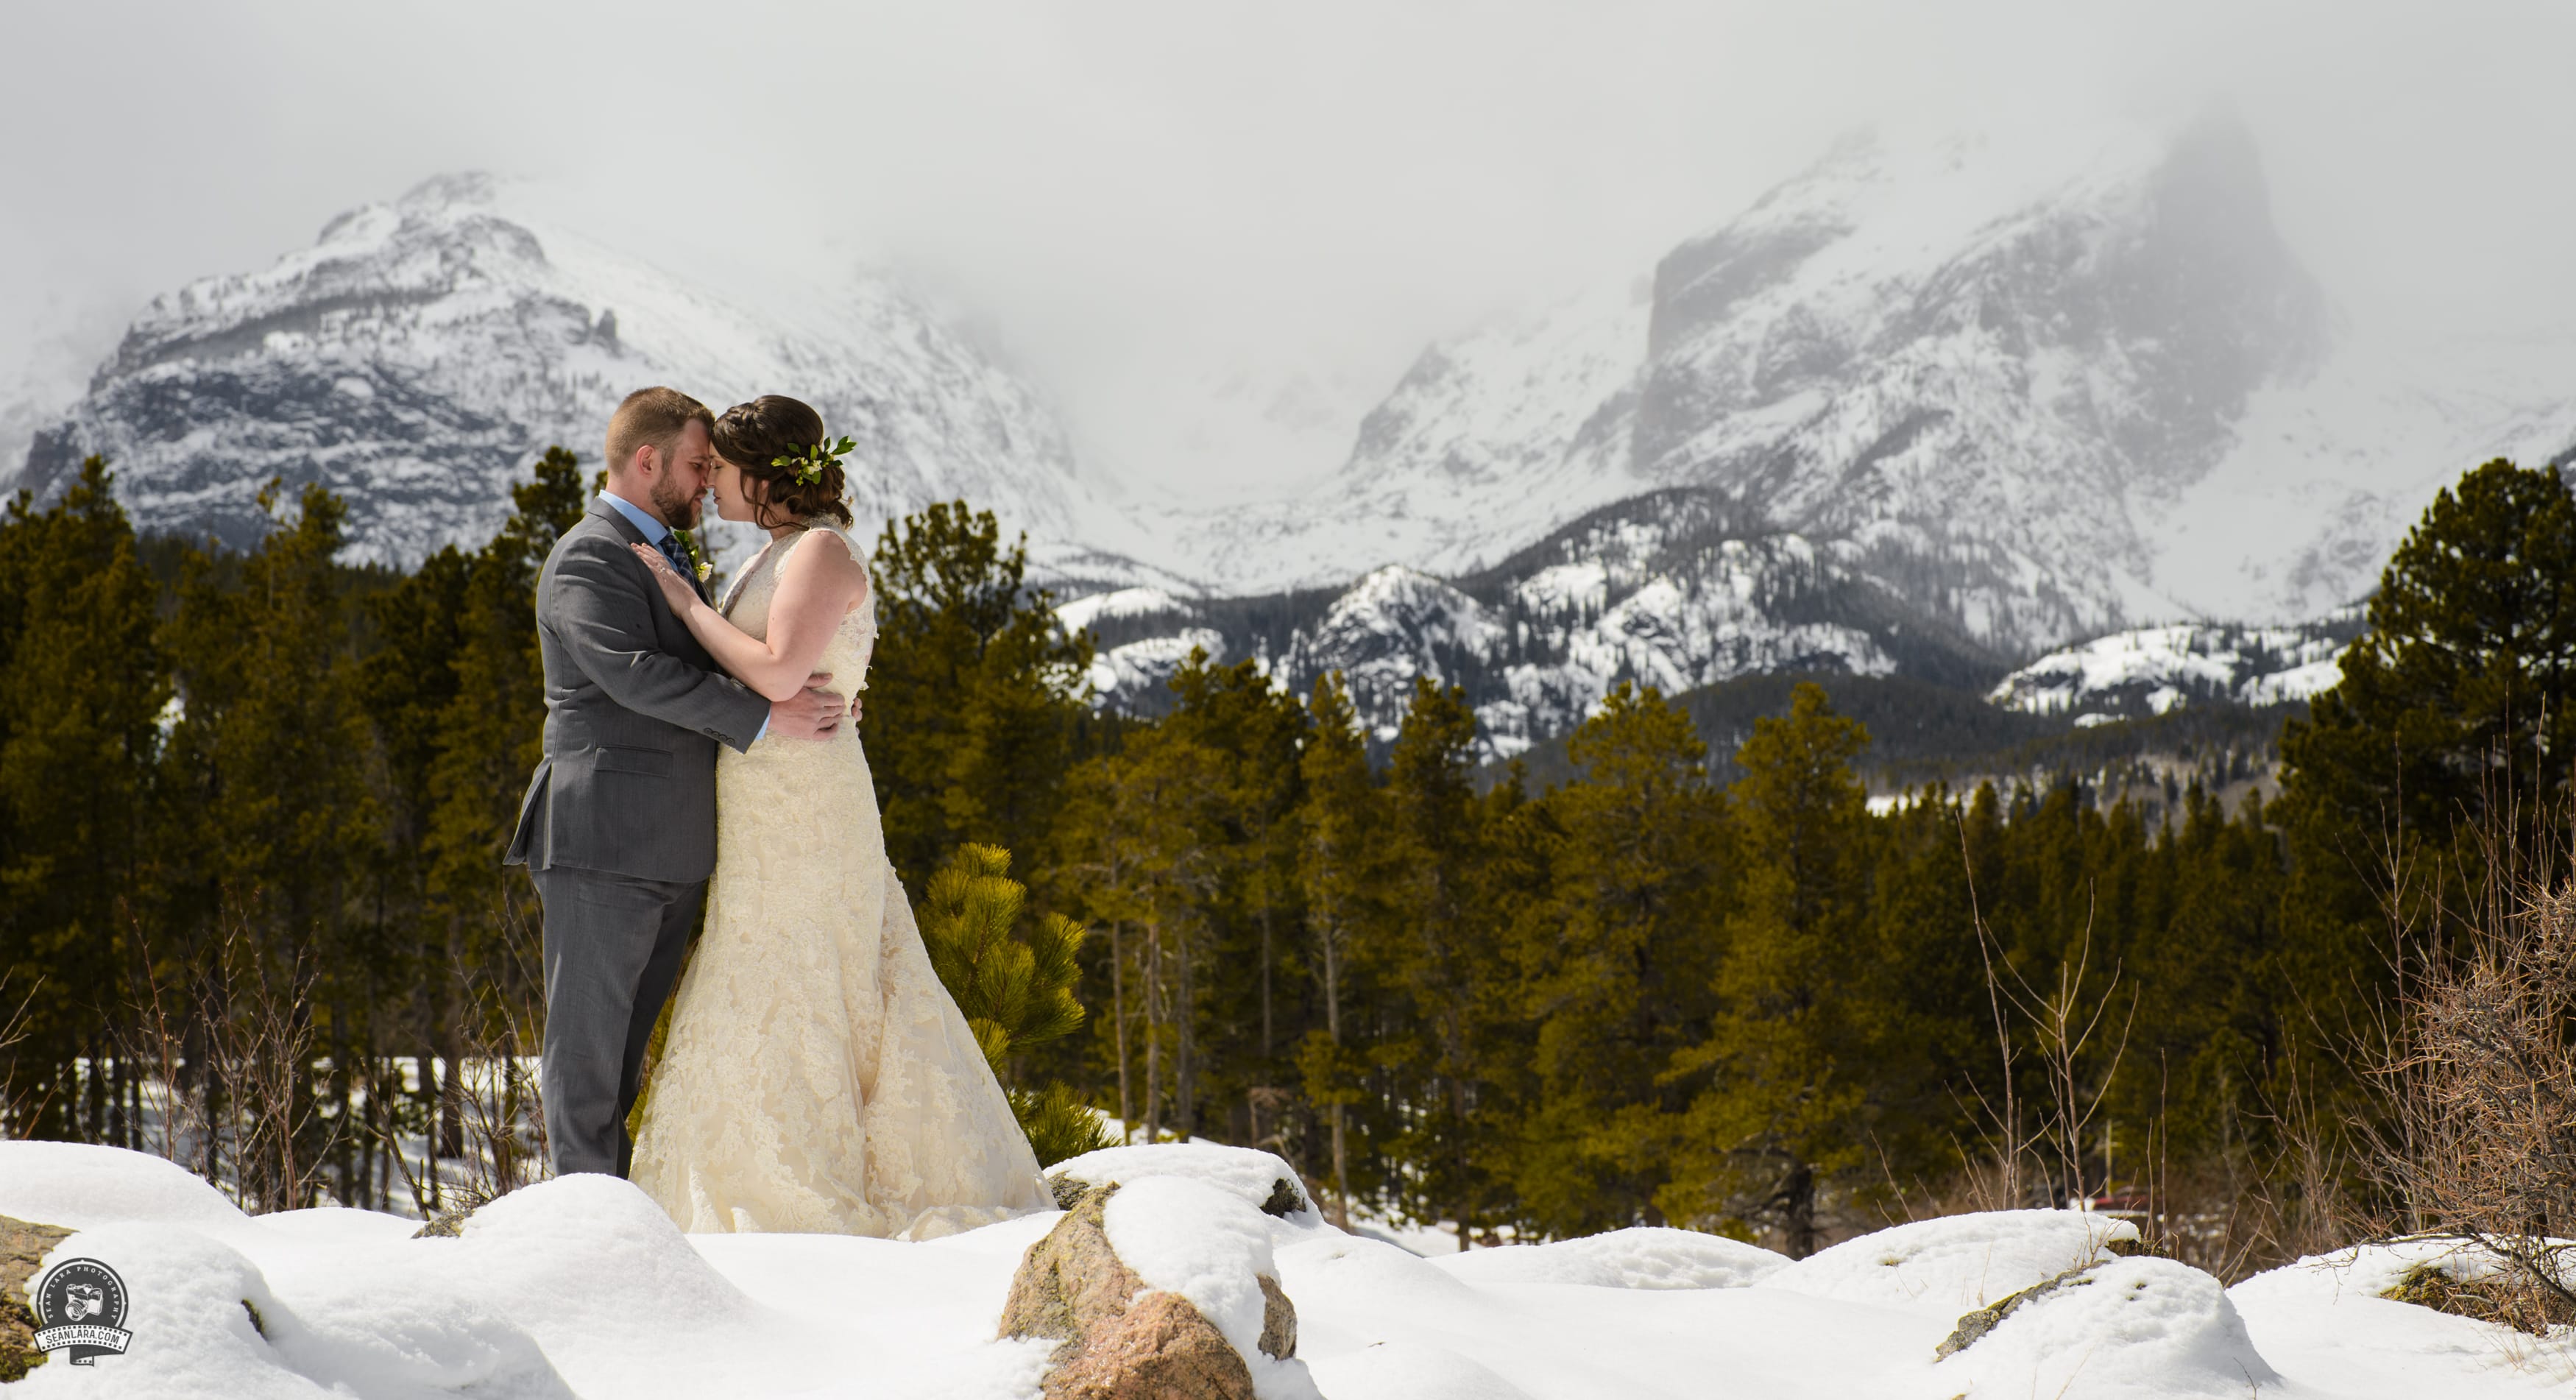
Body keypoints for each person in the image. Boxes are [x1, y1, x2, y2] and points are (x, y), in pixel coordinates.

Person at [621, 393, 1052, 1237]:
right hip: (765, 799)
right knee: (763, 962)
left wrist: (685, 605)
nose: (710, 486)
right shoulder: (779, 551)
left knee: (812, 964)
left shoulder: (816, 550)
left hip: (807, 810)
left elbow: (781, 675)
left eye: (723, 470)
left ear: (764, 475)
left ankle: (817, 1179)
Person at [506, 386, 850, 1180]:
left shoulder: (668, 550)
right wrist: (767, 719)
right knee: (588, 1058)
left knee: (623, 1061)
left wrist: (808, 689)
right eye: (699, 465)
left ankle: (618, 1209)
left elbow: (729, 653)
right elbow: (634, 674)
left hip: (674, 845)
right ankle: (588, 1220)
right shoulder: (589, 554)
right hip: (602, 838)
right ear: (647, 459)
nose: (709, 481)